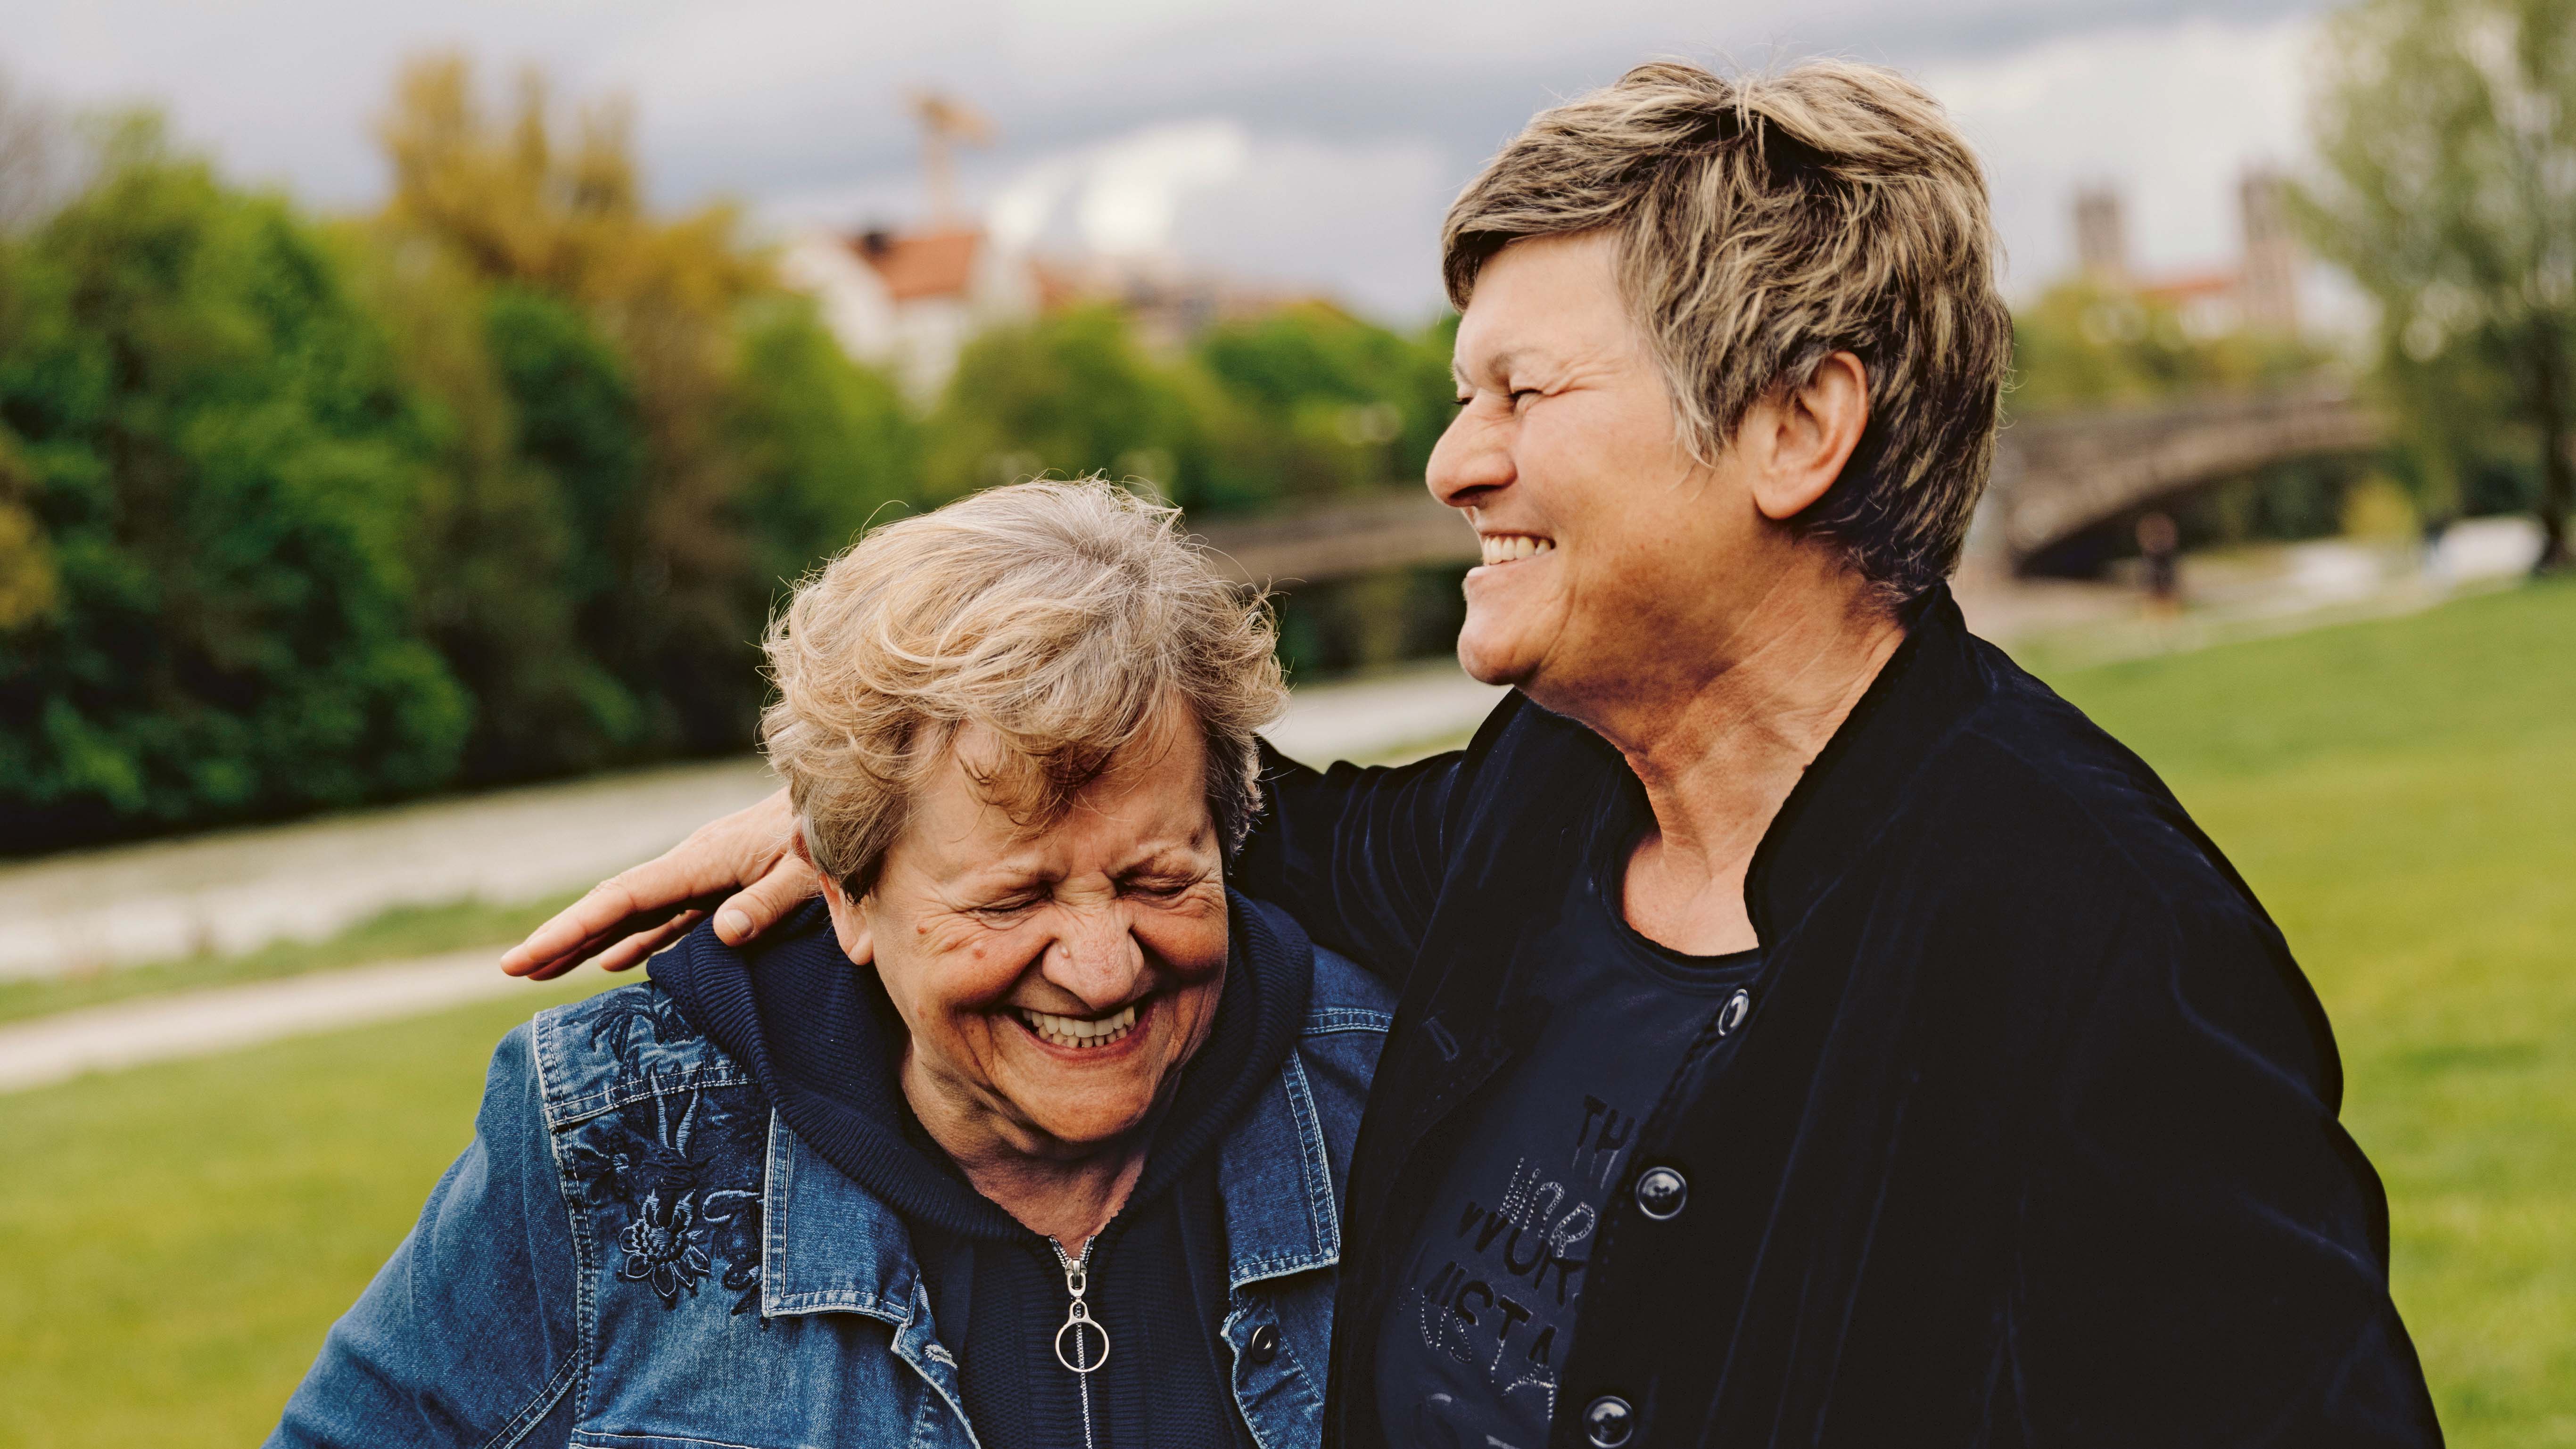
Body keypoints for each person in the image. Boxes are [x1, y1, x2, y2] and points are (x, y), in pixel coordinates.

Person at [504, 62, 2442, 1446]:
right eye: (1460, 400)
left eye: (1523, 392)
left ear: (1796, 424)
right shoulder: (1536, 806)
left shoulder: (2091, 942)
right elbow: (1267, 835)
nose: (1453, 466)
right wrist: (894, 819)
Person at [272, 482, 1392, 1448]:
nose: (1101, 971)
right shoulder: (608, 1138)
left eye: (1158, 881)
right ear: (844, 892)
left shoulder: (1396, 1092)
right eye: (1012, 897)